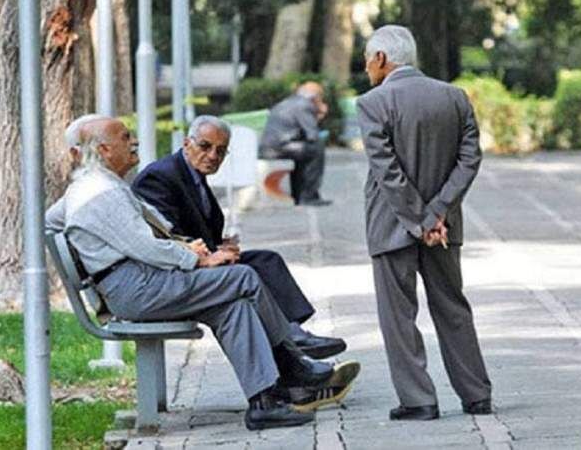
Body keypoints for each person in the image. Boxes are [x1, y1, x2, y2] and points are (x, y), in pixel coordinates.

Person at [45, 117, 356, 430]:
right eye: (125, 137)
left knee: (233, 306)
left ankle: (264, 402)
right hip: (137, 288)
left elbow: (50, 220)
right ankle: (292, 364)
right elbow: (145, 246)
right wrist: (197, 260)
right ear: (104, 150)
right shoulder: (100, 192)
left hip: (140, 282)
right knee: (243, 277)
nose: (134, 141)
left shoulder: (93, 187)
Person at [357, 25, 492, 421]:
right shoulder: (454, 97)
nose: (366, 68)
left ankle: (419, 400)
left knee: (398, 316)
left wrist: (420, 219)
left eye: (367, 60)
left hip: (392, 224)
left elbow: (387, 171)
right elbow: (470, 159)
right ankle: (477, 395)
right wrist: (438, 213)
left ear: (381, 58)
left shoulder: (372, 103)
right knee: (453, 308)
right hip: (444, 227)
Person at [132, 116, 347, 361]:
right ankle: (290, 342)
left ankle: (293, 333)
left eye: (220, 151)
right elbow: (166, 235)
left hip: (201, 260)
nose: (213, 156)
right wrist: (211, 254)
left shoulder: (193, 175)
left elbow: (197, 226)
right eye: (205, 146)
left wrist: (222, 247)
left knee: (267, 261)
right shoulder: (160, 176)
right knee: (247, 276)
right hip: (174, 272)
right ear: (186, 143)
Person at [259, 82, 331, 206]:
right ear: (316, 97)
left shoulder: (286, 102)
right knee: (316, 148)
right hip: (280, 148)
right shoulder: (305, 105)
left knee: (304, 152)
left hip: (270, 147)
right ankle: (309, 196)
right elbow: (313, 134)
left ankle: (298, 195)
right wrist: (320, 113)